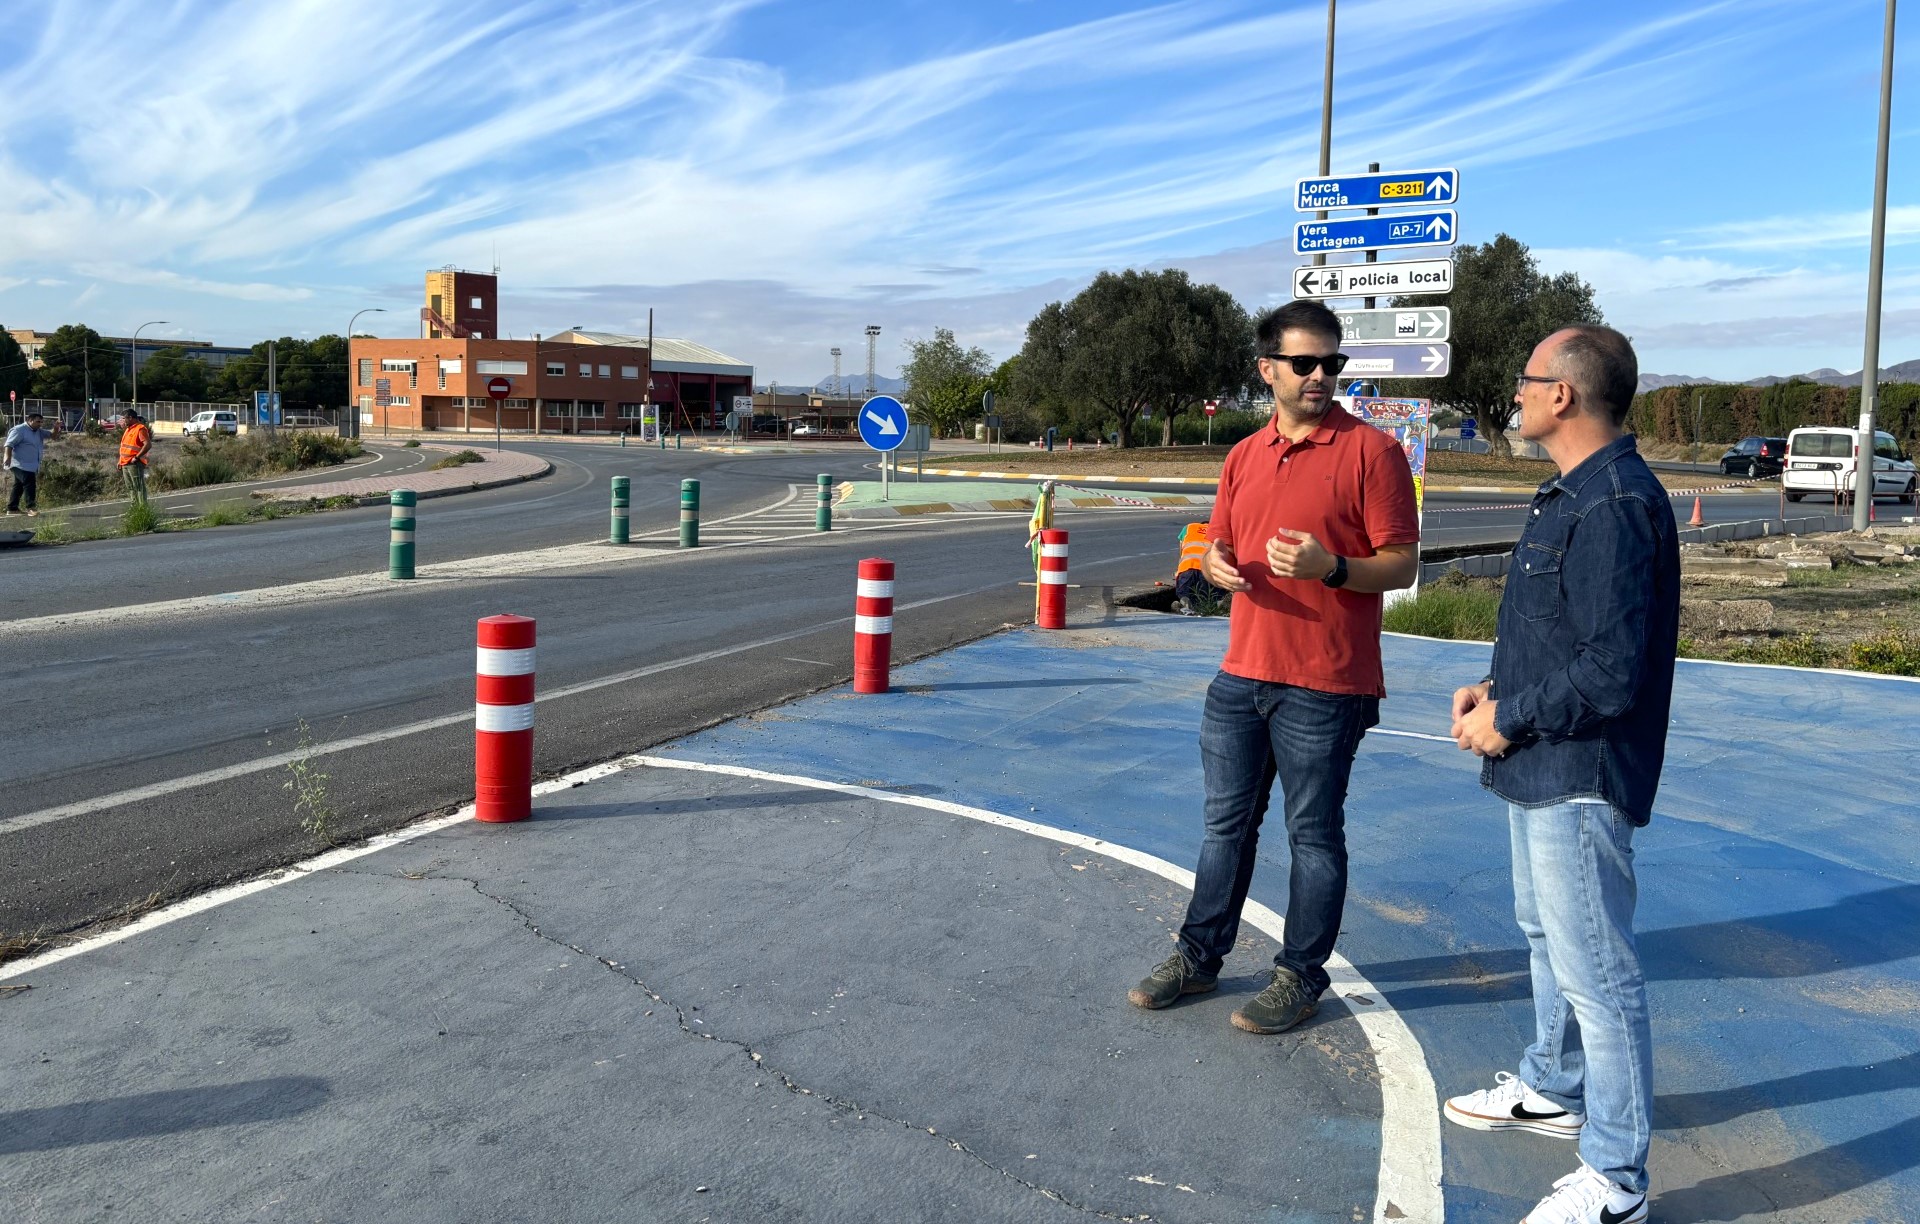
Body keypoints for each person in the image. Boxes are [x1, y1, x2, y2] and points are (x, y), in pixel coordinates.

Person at [1128, 299, 1419, 1034]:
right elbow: (1217, 541)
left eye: (1333, 363)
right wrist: (1215, 566)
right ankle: (1198, 960)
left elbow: (1400, 564)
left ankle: (1300, 976)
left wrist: (1331, 569)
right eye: (1305, 364)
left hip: (1327, 682)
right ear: (1268, 370)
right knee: (1224, 829)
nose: (1322, 376)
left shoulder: (1371, 453)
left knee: (1314, 835)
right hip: (1242, 674)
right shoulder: (1242, 455)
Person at [1446, 325, 1678, 1224]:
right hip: (1542, 758)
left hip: (1580, 769)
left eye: (1526, 379)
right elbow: (1566, 635)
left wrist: (1512, 714)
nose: (1515, 392)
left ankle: (1617, 1180)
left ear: (1564, 396)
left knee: (1600, 976)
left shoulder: (1614, 501)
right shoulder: (1571, 492)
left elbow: (1612, 670)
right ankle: (1553, 1083)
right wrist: (1497, 687)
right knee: (1546, 936)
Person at [5, 411, 56, 517]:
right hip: (18, 463)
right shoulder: (19, 430)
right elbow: (9, 444)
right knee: (29, 482)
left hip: (31, 464)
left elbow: (53, 436)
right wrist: (7, 457)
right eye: (38, 422)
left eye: (41, 422)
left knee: (18, 485)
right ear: (30, 420)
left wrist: (56, 428)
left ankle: (12, 508)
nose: (40, 424)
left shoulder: (39, 431)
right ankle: (31, 507)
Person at [118, 409, 152, 503]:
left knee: (138, 487)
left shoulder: (140, 428)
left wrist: (136, 457)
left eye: (124, 418)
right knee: (131, 487)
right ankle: (135, 508)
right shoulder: (128, 429)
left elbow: (148, 445)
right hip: (125, 463)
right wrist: (120, 461)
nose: (123, 421)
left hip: (134, 463)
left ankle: (142, 509)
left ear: (130, 418)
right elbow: (124, 447)